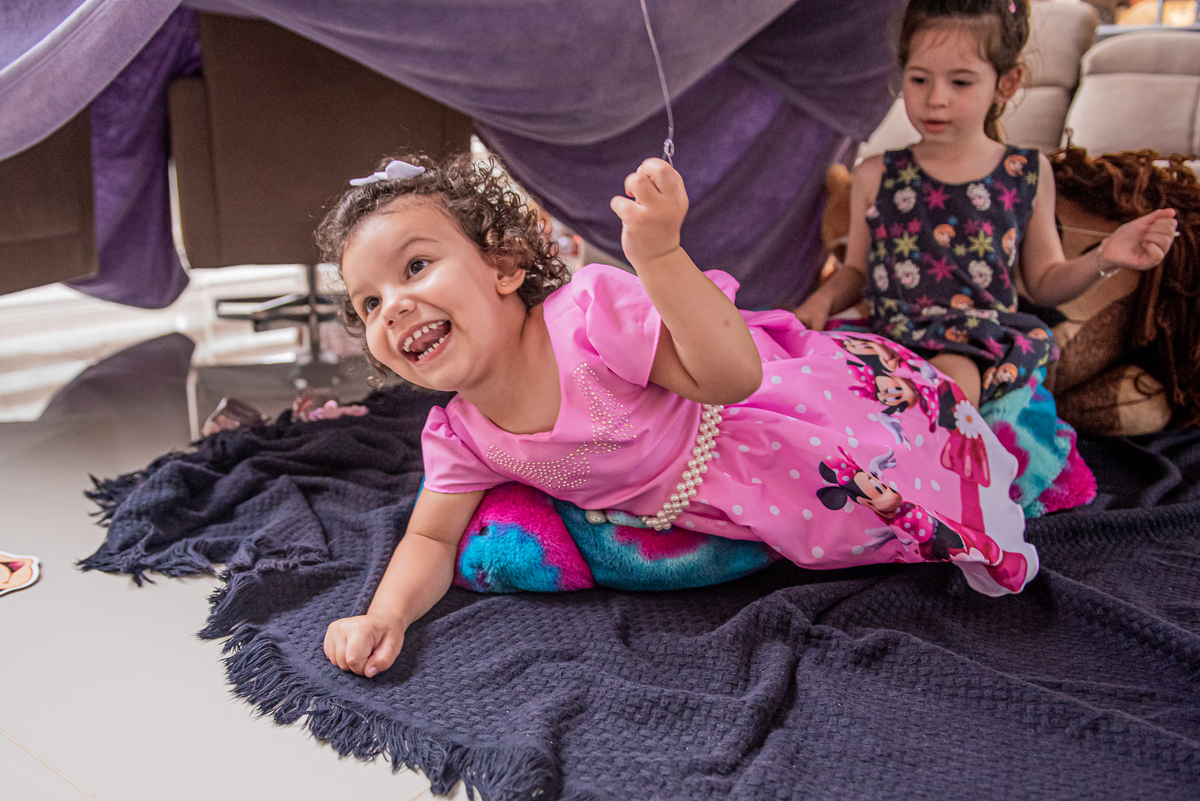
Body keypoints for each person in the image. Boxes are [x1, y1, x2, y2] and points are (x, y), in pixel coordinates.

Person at [320, 151, 1038, 679]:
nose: (396, 306)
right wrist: (386, 614)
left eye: (415, 267)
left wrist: (659, 259)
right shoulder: (462, 435)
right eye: (370, 303)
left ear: (505, 267)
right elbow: (431, 536)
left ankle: (995, 405)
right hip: (694, 512)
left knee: (900, 472)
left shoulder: (587, 319)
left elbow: (730, 376)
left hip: (754, 430)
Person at [793, 0, 1178, 407]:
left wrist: (1105, 256)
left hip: (974, 347)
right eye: (919, 79)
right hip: (888, 341)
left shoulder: (1025, 172)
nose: (935, 98)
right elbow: (855, 269)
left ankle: (939, 464)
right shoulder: (875, 174)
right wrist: (821, 300)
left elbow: (1045, 283)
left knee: (950, 381)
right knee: (816, 384)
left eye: (960, 82)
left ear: (1006, 84)